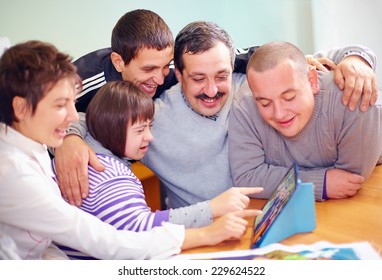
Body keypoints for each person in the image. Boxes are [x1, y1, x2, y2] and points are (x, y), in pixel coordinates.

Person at [54, 10, 379, 207]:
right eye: (197, 79)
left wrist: (357, 60)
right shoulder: (148, 117)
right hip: (210, 232)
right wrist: (69, 138)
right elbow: (88, 120)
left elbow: (307, 60)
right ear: (177, 75)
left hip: (284, 208)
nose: (211, 90)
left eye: (220, 76)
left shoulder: (251, 81)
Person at [0, 40, 259, 260]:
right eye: (60, 105)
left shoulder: (34, 142)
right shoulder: (15, 175)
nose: (71, 116)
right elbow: (107, 241)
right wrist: (207, 231)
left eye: (72, 103)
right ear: (20, 108)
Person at [51, 80, 262, 259]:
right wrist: (212, 211)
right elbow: (142, 230)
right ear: (111, 128)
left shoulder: (90, 148)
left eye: (149, 127)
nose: (149, 137)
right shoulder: (107, 174)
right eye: (140, 130)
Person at [228, 41, 382, 201]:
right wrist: (317, 183)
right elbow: (247, 177)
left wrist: (357, 58)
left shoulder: (354, 100)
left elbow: (348, 181)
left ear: (312, 81)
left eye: (289, 97)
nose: (279, 114)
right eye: (265, 103)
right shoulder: (244, 105)